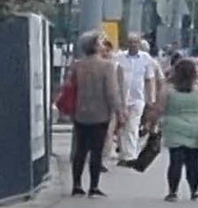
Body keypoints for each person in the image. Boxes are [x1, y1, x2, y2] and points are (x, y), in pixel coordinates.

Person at [153, 55, 198, 201]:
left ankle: (173, 192)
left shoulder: (168, 88)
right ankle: (194, 190)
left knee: (175, 161)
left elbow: (160, 108)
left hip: (173, 127)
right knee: (193, 162)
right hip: (195, 127)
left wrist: (152, 122)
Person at [66, 33, 120, 194]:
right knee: (96, 150)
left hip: (80, 112)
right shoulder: (107, 66)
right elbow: (111, 92)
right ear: (95, 46)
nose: (103, 45)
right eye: (100, 43)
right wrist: (118, 110)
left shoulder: (77, 65)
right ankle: (94, 186)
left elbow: (69, 86)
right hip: (100, 113)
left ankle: (76, 184)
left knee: (80, 150)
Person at [115, 35, 159, 162]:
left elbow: (149, 79)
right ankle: (123, 152)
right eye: (130, 42)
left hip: (138, 98)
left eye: (135, 42)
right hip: (121, 97)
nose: (133, 45)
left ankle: (130, 156)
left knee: (133, 126)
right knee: (121, 126)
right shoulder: (119, 57)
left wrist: (151, 98)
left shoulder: (145, 58)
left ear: (139, 44)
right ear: (126, 44)